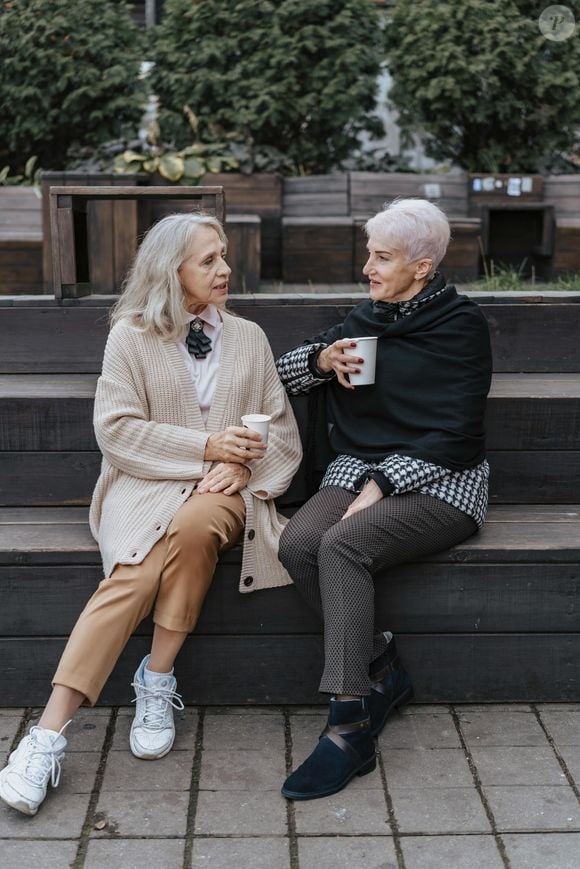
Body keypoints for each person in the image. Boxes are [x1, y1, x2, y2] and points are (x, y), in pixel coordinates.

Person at [0, 213, 302, 816]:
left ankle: (155, 678)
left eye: (223, 256)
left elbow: (283, 433)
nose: (225, 269)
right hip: (142, 489)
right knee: (135, 572)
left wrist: (241, 469)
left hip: (226, 493)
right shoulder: (130, 336)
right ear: (172, 272)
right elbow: (116, 432)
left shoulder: (249, 337)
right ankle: (48, 733)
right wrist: (204, 447)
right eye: (209, 260)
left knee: (196, 525)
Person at [276, 198, 492, 801]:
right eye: (368, 253)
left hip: (442, 480)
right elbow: (281, 374)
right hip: (357, 468)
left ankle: (350, 726)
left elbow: (460, 435)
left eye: (382, 257)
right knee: (295, 543)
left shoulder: (461, 326)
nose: (367, 266)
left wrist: (384, 484)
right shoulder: (366, 318)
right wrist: (321, 360)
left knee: (342, 544)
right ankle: (382, 669)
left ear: (421, 267)